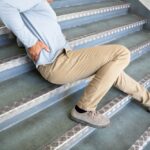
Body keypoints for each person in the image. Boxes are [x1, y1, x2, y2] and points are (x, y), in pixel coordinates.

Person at [0, 0, 149, 128]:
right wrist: (31, 43)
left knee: (113, 69)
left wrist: (25, 40)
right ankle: (83, 109)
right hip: (56, 64)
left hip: (66, 57)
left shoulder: (36, 6)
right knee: (121, 53)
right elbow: (3, 4)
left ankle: (147, 99)